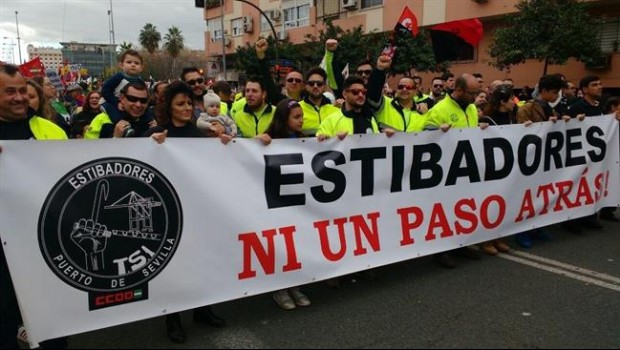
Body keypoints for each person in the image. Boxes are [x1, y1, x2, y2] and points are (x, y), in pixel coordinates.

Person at [146, 81, 227, 343]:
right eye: (180, 104)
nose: (186, 108)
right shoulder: (159, 134)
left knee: (200, 261)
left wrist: (224, 143)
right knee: (174, 266)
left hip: (197, 208)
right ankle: (173, 318)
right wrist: (151, 143)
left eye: (189, 103)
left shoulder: (199, 134)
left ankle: (203, 309)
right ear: (168, 107)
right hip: (170, 211)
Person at [0, 63, 68, 349]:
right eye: (9, 92)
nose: (19, 98)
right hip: (3, 249)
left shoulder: (51, 130)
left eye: (22, 91)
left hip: (45, 241)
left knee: (51, 317)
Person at [254, 98, 313, 310]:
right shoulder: (269, 139)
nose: (301, 121)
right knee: (279, 245)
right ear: (283, 118)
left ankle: (294, 285)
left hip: (296, 202)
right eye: (296, 117)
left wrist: (324, 140)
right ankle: (279, 289)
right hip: (275, 203)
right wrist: (255, 142)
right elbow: (246, 156)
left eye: (302, 117)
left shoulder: (303, 140)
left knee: (295, 245)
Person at [85, 81, 156, 139]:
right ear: (121, 98)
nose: (138, 104)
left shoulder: (152, 121)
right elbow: (89, 152)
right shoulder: (101, 120)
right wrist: (115, 138)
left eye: (143, 100)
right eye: (132, 99)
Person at [101, 49, 150, 124]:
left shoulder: (140, 82)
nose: (133, 65)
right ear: (121, 65)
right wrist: (117, 102)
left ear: (141, 68)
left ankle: (149, 123)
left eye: (136, 63)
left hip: (131, 106)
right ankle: (122, 126)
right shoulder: (118, 77)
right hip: (111, 102)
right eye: (129, 62)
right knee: (114, 112)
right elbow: (105, 90)